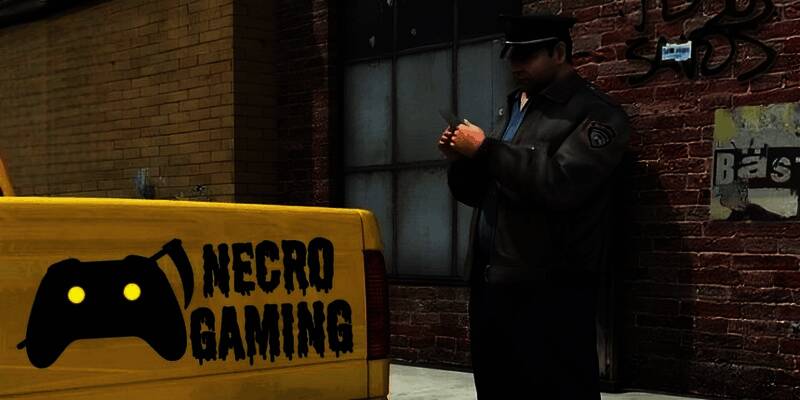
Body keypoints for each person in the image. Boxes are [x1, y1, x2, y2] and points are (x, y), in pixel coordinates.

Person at [437, 14, 631, 399]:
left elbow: (561, 184)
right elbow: (486, 192)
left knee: (554, 387)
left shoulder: (597, 114)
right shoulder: (517, 107)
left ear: (558, 52)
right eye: (510, 56)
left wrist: (486, 150)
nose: (515, 65)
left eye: (525, 56)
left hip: (551, 288)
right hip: (494, 281)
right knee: (497, 385)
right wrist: (464, 161)